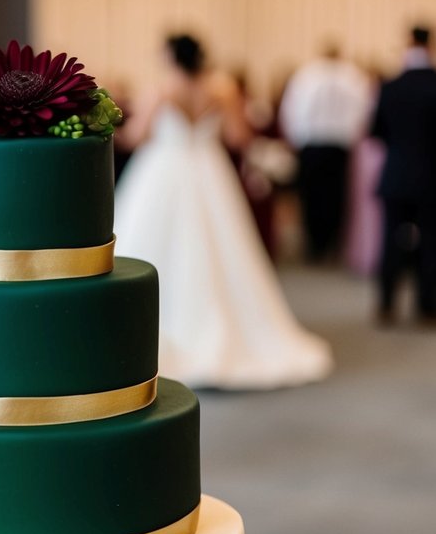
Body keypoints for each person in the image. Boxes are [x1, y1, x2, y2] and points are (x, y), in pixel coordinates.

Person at [114, 34, 332, 389]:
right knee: (220, 251)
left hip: (164, 171)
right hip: (209, 172)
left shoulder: (161, 90)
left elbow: (136, 137)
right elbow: (238, 138)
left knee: (148, 248)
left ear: (171, 56)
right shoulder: (223, 90)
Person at [278, 43, 373, 262]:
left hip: (311, 143)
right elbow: (363, 112)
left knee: (312, 194)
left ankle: (315, 244)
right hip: (339, 144)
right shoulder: (353, 77)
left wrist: (294, 138)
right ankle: (331, 243)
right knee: (335, 195)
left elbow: (291, 109)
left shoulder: (306, 76)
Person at [371, 25, 436, 325]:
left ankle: (386, 305)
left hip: (396, 174)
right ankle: (427, 307)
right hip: (431, 178)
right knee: (431, 244)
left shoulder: (390, 87)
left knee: (390, 241)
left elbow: (376, 132)